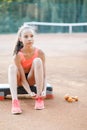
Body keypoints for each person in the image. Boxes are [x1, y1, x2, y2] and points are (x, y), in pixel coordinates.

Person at [8, 24, 46, 114]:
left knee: (37, 61)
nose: (29, 39)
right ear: (20, 39)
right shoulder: (18, 55)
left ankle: (39, 98)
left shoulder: (40, 52)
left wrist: (44, 90)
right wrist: (29, 92)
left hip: (31, 79)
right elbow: (23, 79)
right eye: (26, 37)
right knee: (12, 67)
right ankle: (15, 102)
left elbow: (44, 75)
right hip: (20, 80)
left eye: (32, 36)